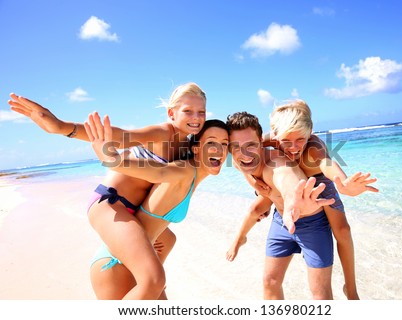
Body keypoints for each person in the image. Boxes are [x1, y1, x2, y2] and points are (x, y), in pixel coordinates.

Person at [8, 82, 206, 299]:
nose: (195, 117)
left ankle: (145, 288)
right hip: (111, 205)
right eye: (188, 111)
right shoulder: (163, 132)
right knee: (154, 278)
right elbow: (120, 136)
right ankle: (147, 284)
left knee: (168, 239)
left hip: (136, 211)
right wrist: (62, 127)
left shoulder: (188, 146)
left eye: (201, 112)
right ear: (171, 113)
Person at [226, 101, 378, 300]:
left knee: (342, 230)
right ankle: (240, 237)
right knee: (257, 207)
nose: (293, 147)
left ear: (310, 132)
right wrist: (253, 182)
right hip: (288, 193)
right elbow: (242, 156)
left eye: (300, 139)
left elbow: (328, 165)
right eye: (286, 141)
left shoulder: (314, 147)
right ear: (275, 133)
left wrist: (343, 184)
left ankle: (351, 288)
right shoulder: (265, 141)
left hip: (319, 186)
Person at [86, 116, 230, 299]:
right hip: (116, 266)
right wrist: (111, 159)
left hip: (133, 267)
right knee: (156, 280)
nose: (218, 149)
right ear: (196, 148)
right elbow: (159, 172)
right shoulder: (184, 171)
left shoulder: (193, 177)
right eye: (211, 142)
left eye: (224, 144)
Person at [226, 111, 336, 299]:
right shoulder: (238, 161)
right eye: (236, 147)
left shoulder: (276, 163)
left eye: (251, 145)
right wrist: (253, 183)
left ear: (261, 142)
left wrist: (294, 201)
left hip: (312, 222)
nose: (244, 153)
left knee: (320, 292)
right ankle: (240, 238)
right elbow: (243, 165)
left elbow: (286, 178)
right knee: (270, 282)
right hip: (281, 222)